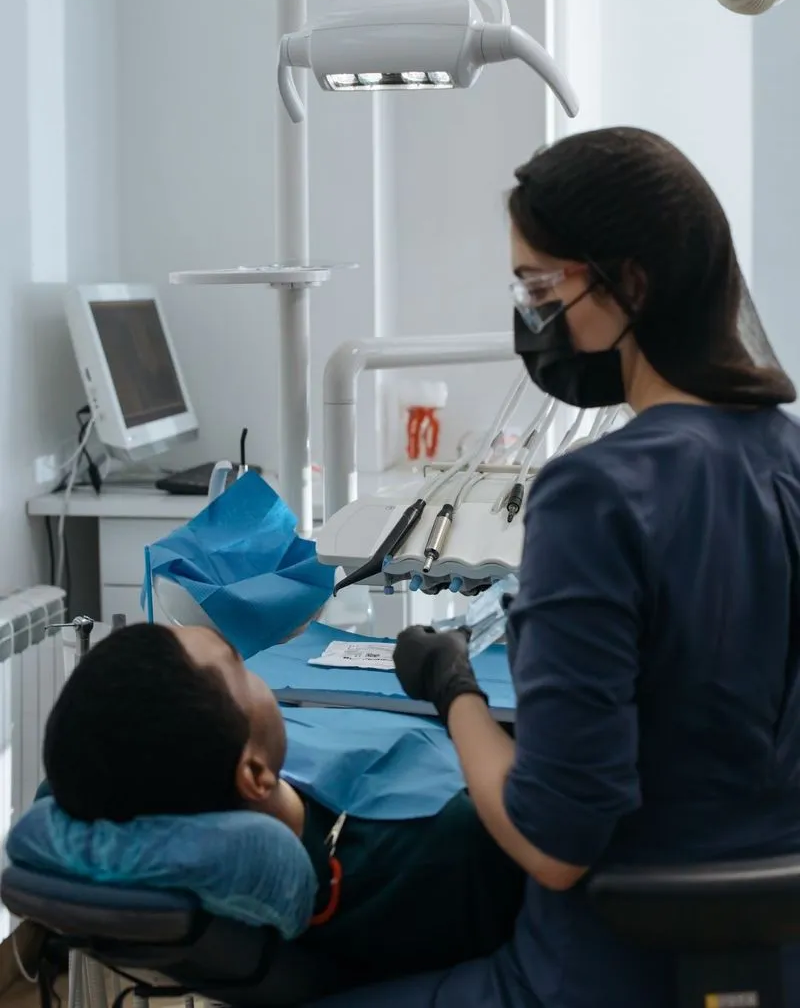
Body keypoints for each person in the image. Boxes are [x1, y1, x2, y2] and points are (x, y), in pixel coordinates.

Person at [310, 126, 800, 1008]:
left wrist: (451, 684)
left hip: (601, 975)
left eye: (541, 286)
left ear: (631, 285)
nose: (530, 316)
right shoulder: (788, 462)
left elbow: (555, 842)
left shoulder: (596, 492)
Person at [41, 621, 523, 988]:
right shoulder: (442, 848)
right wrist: (454, 684)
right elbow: (539, 819)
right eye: (239, 665)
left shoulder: (171, 800)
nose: (260, 677)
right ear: (254, 774)